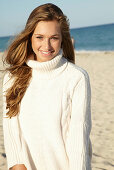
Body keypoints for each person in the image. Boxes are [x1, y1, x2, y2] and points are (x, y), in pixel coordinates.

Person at [3, 3, 92, 170]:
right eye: (40, 37)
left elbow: (78, 137)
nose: (47, 45)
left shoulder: (76, 78)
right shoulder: (12, 77)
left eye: (54, 38)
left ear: (62, 39)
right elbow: (11, 132)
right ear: (29, 37)